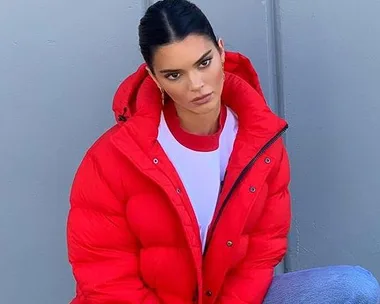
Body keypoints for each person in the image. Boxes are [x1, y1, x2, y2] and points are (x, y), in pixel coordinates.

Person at [66, 0, 380, 303]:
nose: (197, 85)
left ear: (221, 50)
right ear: (153, 77)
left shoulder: (260, 144)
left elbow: (261, 251)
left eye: (204, 63)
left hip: (231, 299)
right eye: (174, 74)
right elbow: (106, 277)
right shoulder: (111, 160)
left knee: (354, 287)